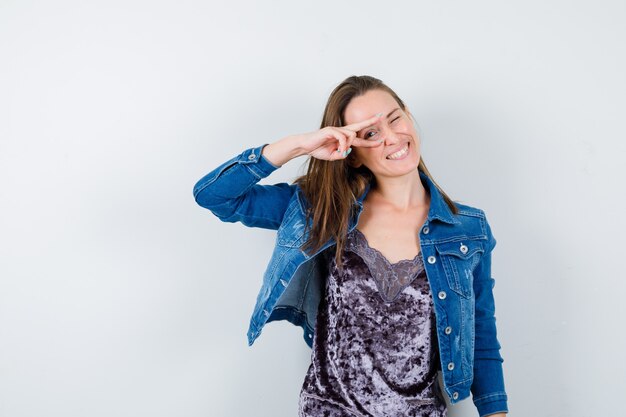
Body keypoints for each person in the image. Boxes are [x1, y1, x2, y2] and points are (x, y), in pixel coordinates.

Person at [193, 75, 508, 417]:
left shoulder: (467, 230)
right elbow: (215, 196)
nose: (392, 138)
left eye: (394, 118)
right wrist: (299, 145)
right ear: (352, 154)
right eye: (370, 134)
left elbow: (482, 336)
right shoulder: (321, 209)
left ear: (408, 115)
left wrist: (495, 412)